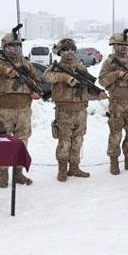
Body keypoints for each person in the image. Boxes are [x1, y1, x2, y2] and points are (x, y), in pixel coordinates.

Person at [0, 28, 41, 187]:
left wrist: (35, 91)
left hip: (24, 111)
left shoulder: (26, 64)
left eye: (17, 46)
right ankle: (4, 174)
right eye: (11, 46)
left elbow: (37, 81)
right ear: (4, 47)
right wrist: (5, 70)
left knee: (22, 143)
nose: (15, 49)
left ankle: (19, 174)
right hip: (6, 110)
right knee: (3, 142)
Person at [43, 38, 107, 181]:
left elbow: (88, 87)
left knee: (78, 141)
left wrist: (98, 94)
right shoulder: (56, 67)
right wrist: (64, 77)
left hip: (81, 111)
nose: (69, 52)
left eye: (72, 49)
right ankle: (62, 170)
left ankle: (74, 168)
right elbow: (46, 77)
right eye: (65, 50)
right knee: (64, 141)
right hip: (64, 111)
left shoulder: (81, 68)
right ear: (60, 52)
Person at [98, 29, 128, 175]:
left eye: (125, 45)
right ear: (113, 45)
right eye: (119, 44)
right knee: (116, 133)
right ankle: (114, 161)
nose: (123, 47)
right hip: (117, 103)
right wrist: (117, 74)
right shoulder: (109, 62)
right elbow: (102, 80)